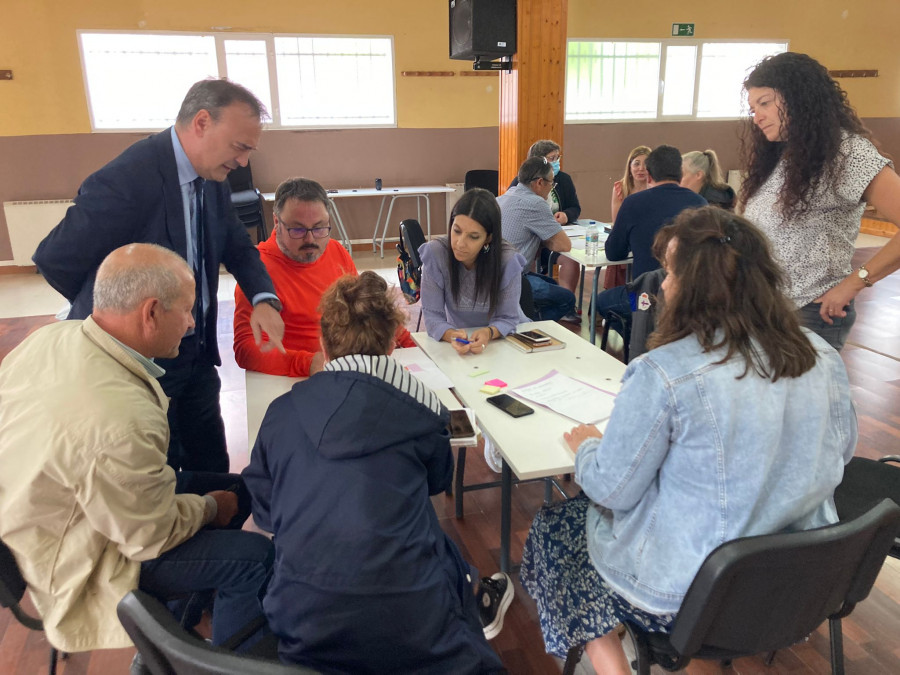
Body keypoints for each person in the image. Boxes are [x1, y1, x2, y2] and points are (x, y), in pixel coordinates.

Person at [520, 208, 857, 674]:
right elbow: (839, 455)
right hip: (796, 585)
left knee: (554, 532)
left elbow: (612, 489)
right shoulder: (821, 355)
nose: (663, 286)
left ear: (699, 291)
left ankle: (612, 665)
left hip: (690, 592)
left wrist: (588, 448)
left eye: (673, 273)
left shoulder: (667, 374)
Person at [0, 244, 274, 655]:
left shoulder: (54, 337)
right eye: (186, 310)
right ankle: (221, 661)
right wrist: (212, 508)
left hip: (41, 510)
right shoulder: (121, 418)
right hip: (86, 550)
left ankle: (190, 604)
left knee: (239, 487)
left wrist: (216, 500)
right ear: (151, 312)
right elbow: (149, 535)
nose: (190, 324)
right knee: (257, 556)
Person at [242, 271, 510, 674]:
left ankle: (471, 589)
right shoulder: (424, 409)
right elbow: (438, 481)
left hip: (304, 628)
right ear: (391, 343)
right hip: (419, 630)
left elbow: (264, 511)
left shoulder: (281, 415)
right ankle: (475, 592)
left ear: (322, 343)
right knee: (427, 534)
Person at [32, 78, 285, 473]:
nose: (243, 162)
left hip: (195, 350)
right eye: (240, 147)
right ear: (202, 122)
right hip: (139, 359)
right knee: (153, 471)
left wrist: (263, 299)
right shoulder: (130, 177)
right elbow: (55, 258)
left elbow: (236, 243)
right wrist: (119, 318)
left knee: (210, 464)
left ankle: (219, 524)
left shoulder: (212, 176)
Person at [741, 52, 900, 350]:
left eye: (764, 103)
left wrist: (853, 283)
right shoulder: (782, 156)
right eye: (753, 108)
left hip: (810, 313)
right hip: (764, 310)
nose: (757, 116)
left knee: (806, 397)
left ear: (798, 99)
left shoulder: (848, 153)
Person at [234, 177, 415, 377]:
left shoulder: (335, 250)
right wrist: (308, 363)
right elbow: (246, 348)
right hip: (295, 377)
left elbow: (366, 311)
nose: (310, 239)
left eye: (319, 227)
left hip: (343, 369)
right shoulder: (256, 271)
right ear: (277, 222)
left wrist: (410, 345)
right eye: (298, 229)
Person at [596, 145, 706, 325]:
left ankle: (633, 338)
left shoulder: (633, 203)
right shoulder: (700, 202)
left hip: (643, 295)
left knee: (602, 302)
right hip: (689, 296)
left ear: (649, 174)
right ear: (680, 173)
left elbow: (614, 253)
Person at [420, 187, 528, 354]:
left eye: (473, 236)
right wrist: (452, 335)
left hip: (508, 340)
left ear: (488, 238)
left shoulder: (507, 260)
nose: (460, 243)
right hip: (464, 341)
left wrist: (489, 332)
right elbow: (433, 317)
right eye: (456, 231)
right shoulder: (436, 255)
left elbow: (508, 319)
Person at [497, 157, 579, 323]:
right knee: (568, 299)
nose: (551, 188)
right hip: (513, 279)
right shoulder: (535, 203)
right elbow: (563, 245)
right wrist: (544, 238)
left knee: (550, 282)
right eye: (551, 183)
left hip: (494, 276)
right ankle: (529, 323)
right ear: (540, 182)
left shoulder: (502, 197)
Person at [509, 140, 583, 292]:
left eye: (558, 157)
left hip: (555, 236)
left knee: (571, 260)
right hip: (531, 239)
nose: (556, 162)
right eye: (552, 158)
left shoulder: (564, 179)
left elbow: (575, 207)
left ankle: (567, 302)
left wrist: (566, 215)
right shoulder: (521, 182)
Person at [606, 146, 652, 291]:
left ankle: (636, 307)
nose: (641, 169)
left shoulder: (655, 188)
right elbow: (618, 222)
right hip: (625, 242)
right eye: (637, 163)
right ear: (629, 166)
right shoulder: (620, 187)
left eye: (646, 164)